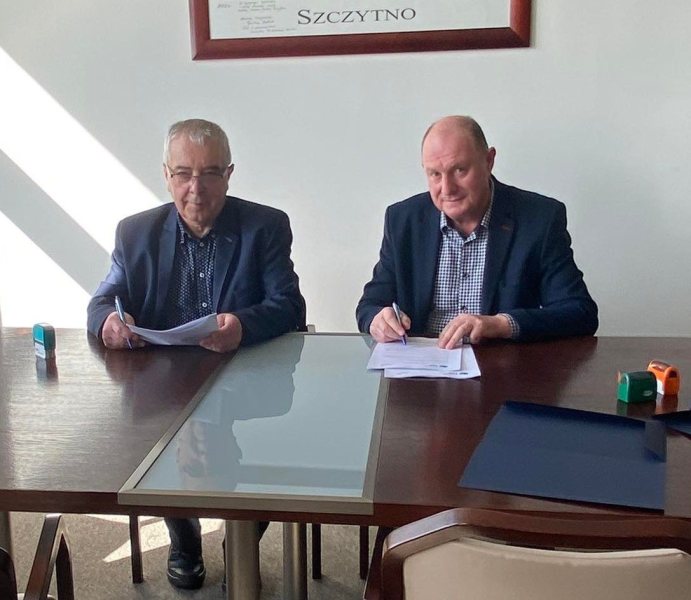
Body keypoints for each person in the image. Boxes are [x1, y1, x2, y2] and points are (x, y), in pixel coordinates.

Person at [87, 118, 306, 590]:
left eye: (209, 173)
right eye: (183, 173)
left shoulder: (265, 226)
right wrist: (107, 322)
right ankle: (183, 534)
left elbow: (290, 305)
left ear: (229, 174)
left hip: (243, 373)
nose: (195, 188)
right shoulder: (136, 233)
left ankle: (240, 539)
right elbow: (103, 300)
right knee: (162, 445)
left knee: (271, 447)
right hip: (163, 380)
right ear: (166, 175)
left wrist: (242, 326)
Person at [356, 115, 597, 347]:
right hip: (420, 366)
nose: (447, 188)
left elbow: (579, 313)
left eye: (460, 170)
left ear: (489, 161)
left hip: (501, 367)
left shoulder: (539, 220)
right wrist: (378, 320)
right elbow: (369, 305)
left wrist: (501, 324)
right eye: (435, 174)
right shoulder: (403, 221)